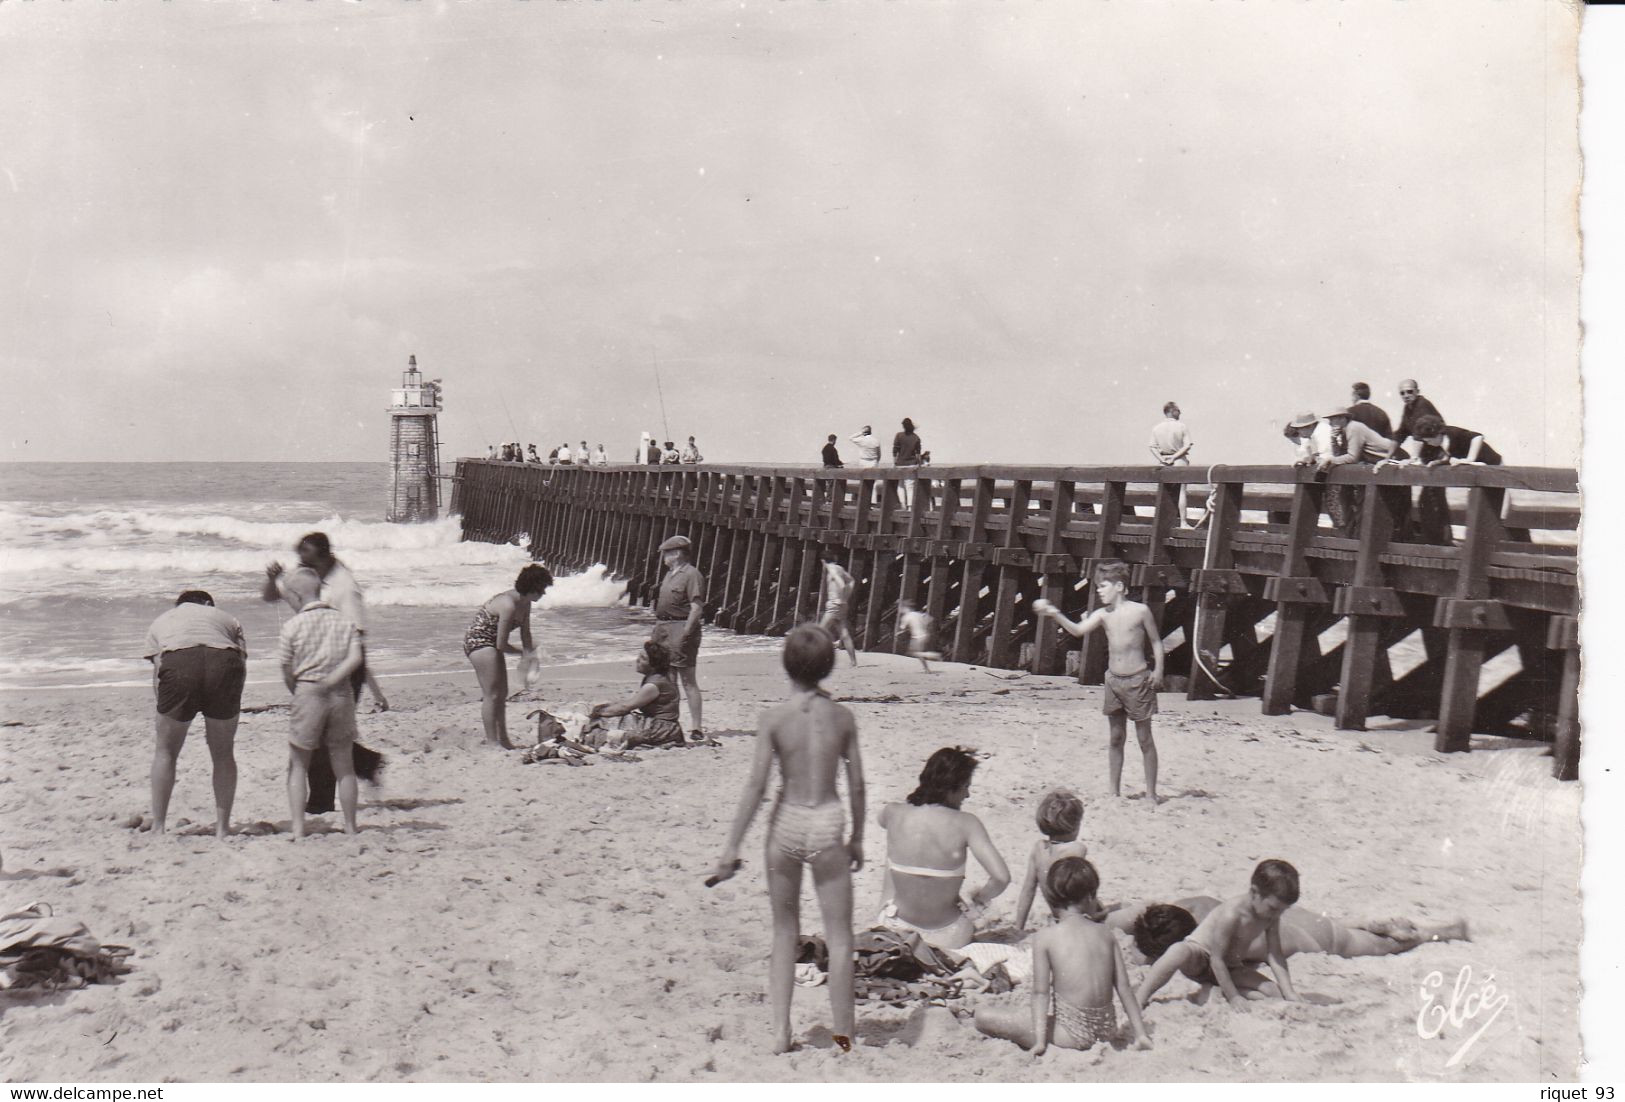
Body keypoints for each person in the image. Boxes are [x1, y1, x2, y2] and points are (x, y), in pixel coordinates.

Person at [710, 625, 866, 1055]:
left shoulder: (774, 719)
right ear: (829, 667)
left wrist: (731, 847)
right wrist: (858, 836)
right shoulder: (842, 718)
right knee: (840, 935)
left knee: (784, 931)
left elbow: (756, 788)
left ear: (785, 665)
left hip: (787, 821)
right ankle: (843, 1037)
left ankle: (780, 1033)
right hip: (828, 820)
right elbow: (856, 786)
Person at [975, 858, 1152, 1054]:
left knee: (983, 1016)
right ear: (1090, 896)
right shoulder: (1105, 933)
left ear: (1052, 898)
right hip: (1105, 1031)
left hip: (1070, 1035)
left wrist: (1040, 1042)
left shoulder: (1045, 937)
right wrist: (1141, 1033)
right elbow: (1124, 988)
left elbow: (1040, 993)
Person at [1033, 561, 1165, 804]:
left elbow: (1156, 642)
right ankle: (1113, 792)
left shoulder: (1140, 611)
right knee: (1116, 737)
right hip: (1113, 681)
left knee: (1145, 738)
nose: (1099, 592)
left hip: (1138, 679)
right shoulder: (1102, 614)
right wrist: (1054, 613)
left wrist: (1158, 671)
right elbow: (1077, 630)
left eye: (1103, 587)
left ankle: (1151, 794)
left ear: (1119, 586)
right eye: (1097, 588)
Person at [875, 747, 1010, 951]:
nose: (967, 794)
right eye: (965, 787)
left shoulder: (892, 812)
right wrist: (980, 900)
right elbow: (1001, 878)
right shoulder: (967, 823)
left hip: (896, 928)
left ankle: (881, 911)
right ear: (950, 788)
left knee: (894, 853)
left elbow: (882, 820)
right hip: (949, 936)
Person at [1118, 898, 1468, 976]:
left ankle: (1439, 933)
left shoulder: (1213, 947)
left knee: (1387, 947)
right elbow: (1135, 915)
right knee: (1344, 926)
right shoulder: (1194, 905)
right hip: (1299, 919)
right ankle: (1360, 919)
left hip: (1316, 941)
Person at [143, 590, 247, 839]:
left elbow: (159, 670)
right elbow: (241, 663)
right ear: (209, 603)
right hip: (224, 662)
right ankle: (223, 828)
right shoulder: (227, 618)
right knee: (223, 754)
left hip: (180, 661)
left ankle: (158, 826)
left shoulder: (162, 620)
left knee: (165, 751)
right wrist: (230, 702)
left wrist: (166, 711)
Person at [1135, 859, 1304, 1008]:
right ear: (1254, 892)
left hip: (1230, 968)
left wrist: (1289, 992)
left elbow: (1275, 955)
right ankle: (1140, 996)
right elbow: (1216, 959)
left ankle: (1215, 992)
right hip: (1201, 959)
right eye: (1273, 908)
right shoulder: (1231, 914)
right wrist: (1234, 997)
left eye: (1283, 910)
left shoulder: (1270, 917)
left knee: (1273, 992)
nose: (1277, 915)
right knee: (1179, 950)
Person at [275, 567, 364, 839]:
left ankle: (300, 827)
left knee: (299, 763)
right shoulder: (343, 621)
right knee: (344, 764)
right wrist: (334, 678)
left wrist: (301, 690)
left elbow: (286, 667)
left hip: (308, 690)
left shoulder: (292, 625)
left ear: (295, 595)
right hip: (341, 693)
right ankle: (350, 826)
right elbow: (355, 658)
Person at [263, 532, 388, 712]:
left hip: (338, 661)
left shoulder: (345, 587)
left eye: (307, 563)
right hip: (317, 647)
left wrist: (337, 683)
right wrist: (272, 579)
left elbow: (357, 642)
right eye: (301, 562)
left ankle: (374, 700)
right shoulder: (307, 574)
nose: (301, 567)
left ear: (325, 559)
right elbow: (271, 596)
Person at [464, 563, 554, 750]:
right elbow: (501, 644)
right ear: (532, 588)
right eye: (542, 589)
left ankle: (504, 740)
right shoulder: (508, 604)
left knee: (502, 694)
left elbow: (526, 633)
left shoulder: (525, 602)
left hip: (491, 644)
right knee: (492, 694)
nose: (544, 594)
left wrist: (529, 655)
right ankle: (492, 742)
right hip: (479, 642)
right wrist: (523, 653)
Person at [1380, 413, 1503, 545]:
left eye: (1428, 440)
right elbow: (1431, 458)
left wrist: (1470, 459)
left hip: (1492, 465)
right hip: (1479, 473)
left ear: (1437, 434)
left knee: (1493, 512)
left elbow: (1477, 437)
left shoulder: (1454, 433)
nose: (1428, 443)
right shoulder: (1437, 443)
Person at [1308, 406, 1395, 537]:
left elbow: (1352, 457)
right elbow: (1340, 455)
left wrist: (1329, 460)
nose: (1330, 423)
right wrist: (1333, 440)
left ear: (1342, 418)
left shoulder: (1354, 428)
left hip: (1392, 459)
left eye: (1333, 419)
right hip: (1377, 464)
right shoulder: (1345, 431)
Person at [652, 534, 706, 741]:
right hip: (663, 627)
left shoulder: (691, 574)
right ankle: (670, 722)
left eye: (666, 553)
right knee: (668, 677)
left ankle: (696, 727)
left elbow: (696, 607)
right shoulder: (670, 574)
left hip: (680, 626)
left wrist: (686, 633)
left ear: (677, 554)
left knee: (687, 679)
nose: (664, 557)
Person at [1013, 789, 1089, 930]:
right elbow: (1083, 895)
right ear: (1075, 826)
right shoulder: (1077, 849)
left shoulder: (1039, 849)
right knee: (1131, 909)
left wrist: (1019, 928)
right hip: (1081, 922)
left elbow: (1028, 891)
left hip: (1059, 919)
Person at [588, 640, 686, 748]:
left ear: (653, 665)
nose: (637, 660)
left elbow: (625, 707)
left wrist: (598, 712)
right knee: (611, 719)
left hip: (662, 729)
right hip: (662, 726)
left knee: (608, 731)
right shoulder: (656, 678)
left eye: (643, 658)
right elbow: (628, 704)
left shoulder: (653, 685)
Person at [1148, 401, 1194, 525]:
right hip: (1179, 460)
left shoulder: (1156, 428)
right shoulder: (1181, 426)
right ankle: (1183, 522)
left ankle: (1162, 523)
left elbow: (1152, 446)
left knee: (1164, 493)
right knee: (1182, 492)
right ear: (1172, 411)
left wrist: (1161, 458)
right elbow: (1187, 445)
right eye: (1178, 410)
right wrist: (1174, 456)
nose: (1180, 413)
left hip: (1163, 462)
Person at [818, 557, 859, 667]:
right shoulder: (840, 568)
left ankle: (812, 659)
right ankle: (853, 661)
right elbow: (851, 581)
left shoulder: (831, 568)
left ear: (823, 561)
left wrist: (840, 593)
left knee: (818, 632)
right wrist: (845, 597)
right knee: (844, 634)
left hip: (834, 605)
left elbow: (841, 583)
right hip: (843, 606)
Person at [1391, 378, 1444, 447]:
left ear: (1417, 391)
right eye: (1402, 393)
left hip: (1438, 447)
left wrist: (1415, 456)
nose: (1406, 396)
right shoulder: (1407, 407)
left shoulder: (1422, 404)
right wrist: (1388, 456)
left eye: (1409, 391)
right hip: (1425, 447)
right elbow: (1402, 432)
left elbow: (1421, 433)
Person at [895, 598, 939, 672]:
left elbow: (902, 629)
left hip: (917, 637)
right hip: (925, 635)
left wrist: (898, 633)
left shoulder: (906, 617)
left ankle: (933, 655)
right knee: (917, 653)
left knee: (914, 653)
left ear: (904, 607)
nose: (899, 610)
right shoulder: (918, 614)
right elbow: (930, 619)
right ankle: (927, 669)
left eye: (900, 608)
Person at [891, 418, 923, 508]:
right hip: (911, 464)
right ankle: (910, 506)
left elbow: (895, 450)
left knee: (900, 484)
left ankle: (903, 504)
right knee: (910, 486)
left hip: (900, 464)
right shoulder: (916, 437)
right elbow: (918, 453)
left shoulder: (899, 436)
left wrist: (894, 462)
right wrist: (919, 464)